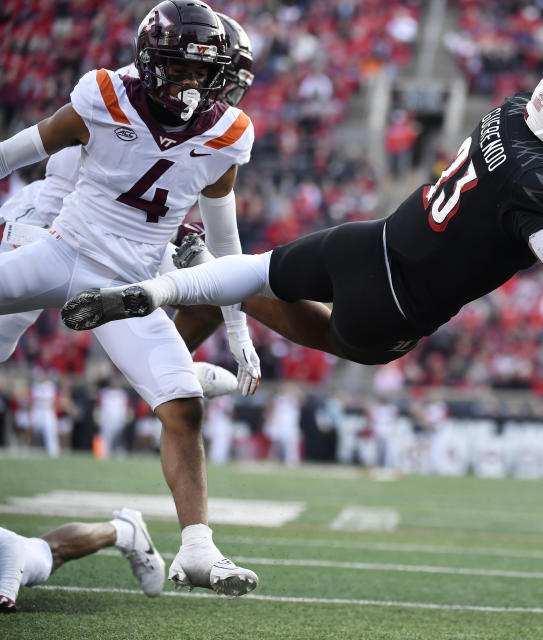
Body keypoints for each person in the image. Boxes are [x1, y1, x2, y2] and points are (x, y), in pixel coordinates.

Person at [61, 61, 543, 372]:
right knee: (330, 337)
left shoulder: (511, 113)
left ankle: (156, 289)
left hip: (366, 241)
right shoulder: (542, 190)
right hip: (393, 309)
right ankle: (190, 298)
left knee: (257, 271)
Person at [0, 1, 260, 597]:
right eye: (179, 69)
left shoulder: (228, 133)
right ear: (149, 61)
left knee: (182, 405)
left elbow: (227, 244)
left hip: (129, 290)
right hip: (63, 247)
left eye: (202, 73)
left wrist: (240, 333)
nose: (191, 85)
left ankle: (197, 546)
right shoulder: (103, 95)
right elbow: (18, 152)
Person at [0, 10, 258, 399]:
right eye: (192, 71)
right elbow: (108, 177)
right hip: (52, 225)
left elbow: (185, 209)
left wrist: (239, 328)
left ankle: (173, 373)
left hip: (122, 247)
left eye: (206, 75)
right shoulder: (121, 97)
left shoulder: (207, 125)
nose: (201, 87)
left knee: (210, 283)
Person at [0, 508, 165, 612]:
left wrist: (5, 593)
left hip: (11, 559)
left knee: (51, 551)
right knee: (49, 549)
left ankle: (123, 531)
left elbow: (11, 544)